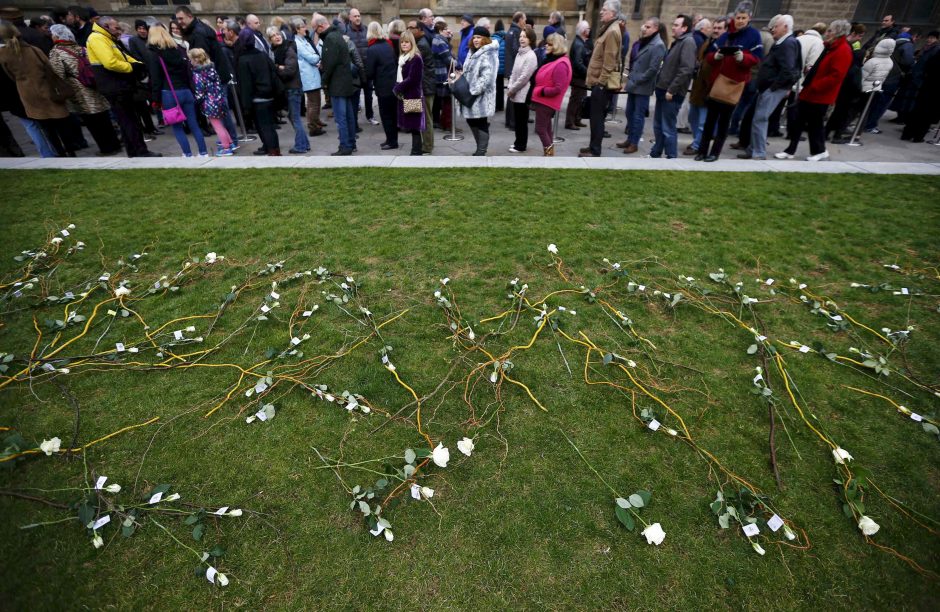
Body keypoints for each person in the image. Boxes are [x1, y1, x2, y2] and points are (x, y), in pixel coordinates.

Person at [694, 2, 763, 162]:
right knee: (710, 120)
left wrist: (743, 58)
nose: (740, 21)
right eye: (738, 17)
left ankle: (714, 153)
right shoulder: (727, 34)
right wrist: (716, 57)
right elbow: (710, 55)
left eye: (743, 18)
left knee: (724, 122)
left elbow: (757, 58)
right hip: (717, 82)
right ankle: (702, 151)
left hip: (734, 84)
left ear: (749, 18)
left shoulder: (754, 35)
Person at [775, 20, 852, 162]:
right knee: (799, 121)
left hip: (820, 95)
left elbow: (836, 76)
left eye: (830, 31)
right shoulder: (830, 47)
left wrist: (816, 84)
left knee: (814, 124)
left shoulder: (843, 50)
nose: (827, 33)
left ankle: (819, 150)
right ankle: (791, 150)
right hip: (811, 91)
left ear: (838, 33)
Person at [0, 22, 80, 157]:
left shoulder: (3, 54)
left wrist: (23, 81)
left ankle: (59, 153)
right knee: (60, 123)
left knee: (46, 127)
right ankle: (70, 152)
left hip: (27, 92)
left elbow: (10, 75)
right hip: (45, 87)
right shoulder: (32, 50)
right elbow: (48, 67)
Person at [86, 16, 160, 157]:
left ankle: (133, 151)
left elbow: (123, 56)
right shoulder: (97, 38)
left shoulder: (106, 38)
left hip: (119, 85)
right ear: (106, 26)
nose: (118, 30)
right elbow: (110, 62)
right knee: (129, 120)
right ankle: (140, 151)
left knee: (127, 120)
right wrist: (132, 67)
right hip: (114, 86)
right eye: (116, 27)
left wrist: (138, 64)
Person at [48, 24, 121, 156]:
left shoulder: (56, 52)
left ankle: (106, 148)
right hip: (94, 86)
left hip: (80, 92)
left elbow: (58, 74)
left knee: (92, 122)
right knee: (104, 118)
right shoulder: (82, 48)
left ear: (56, 36)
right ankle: (115, 144)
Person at [737, 14, 800, 160]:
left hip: (772, 88)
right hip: (768, 87)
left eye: (776, 26)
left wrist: (773, 87)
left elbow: (788, 70)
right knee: (757, 118)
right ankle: (753, 149)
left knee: (760, 119)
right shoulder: (783, 42)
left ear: (785, 27)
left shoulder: (788, 44)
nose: (773, 29)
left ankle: (758, 152)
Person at [146, 24, 207, 157]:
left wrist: (155, 99)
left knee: (177, 127)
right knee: (194, 124)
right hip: (185, 90)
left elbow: (155, 79)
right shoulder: (177, 50)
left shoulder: (154, 54)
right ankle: (203, 152)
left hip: (169, 93)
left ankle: (187, 154)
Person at [579, 0, 623, 158]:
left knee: (597, 118)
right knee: (595, 117)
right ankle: (592, 146)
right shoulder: (609, 29)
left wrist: (601, 82)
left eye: (604, 10)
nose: (601, 12)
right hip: (599, 81)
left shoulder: (612, 31)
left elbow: (609, 61)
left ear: (612, 13)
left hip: (602, 83)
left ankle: (595, 150)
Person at [650, 15, 697, 159]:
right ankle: (655, 153)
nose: (673, 27)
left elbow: (686, 69)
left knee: (667, 127)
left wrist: (672, 89)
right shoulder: (678, 42)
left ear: (685, 28)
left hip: (672, 93)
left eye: (676, 25)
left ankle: (671, 157)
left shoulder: (688, 42)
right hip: (663, 90)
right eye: (674, 24)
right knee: (658, 125)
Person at [617, 18, 664, 154]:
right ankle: (630, 138)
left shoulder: (658, 45)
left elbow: (653, 69)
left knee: (638, 116)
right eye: (645, 26)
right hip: (634, 84)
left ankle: (634, 143)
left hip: (642, 87)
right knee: (629, 113)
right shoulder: (645, 41)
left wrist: (637, 80)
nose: (644, 28)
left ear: (656, 28)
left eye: (648, 27)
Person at [315, 14, 357, 155]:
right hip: (345, 82)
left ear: (320, 27)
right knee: (349, 116)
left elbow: (330, 64)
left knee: (341, 118)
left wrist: (324, 81)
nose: (316, 32)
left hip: (338, 84)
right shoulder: (337, 35)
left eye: (315, 29)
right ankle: (351, 143)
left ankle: (345, 146)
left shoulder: (330, 39)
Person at [235, 27, 280, 156]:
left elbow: (245, 85)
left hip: (258, 98)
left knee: (264, 126)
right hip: (268, 95)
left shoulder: (244, 60)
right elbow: (273, 73)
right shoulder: (262, 56)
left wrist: (246, 105)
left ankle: (273, 150)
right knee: (267, 125)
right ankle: (268, 146)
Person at [455, 25, 498, 156]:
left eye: (479, 37)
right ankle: (480, 146)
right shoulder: (472, 52)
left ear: (485, 39)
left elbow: (487, 79)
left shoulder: (488, 54)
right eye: (474, 37)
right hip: (471, 95)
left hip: (480, 96)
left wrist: (472, 91)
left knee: (480, 122)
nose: (476, 40)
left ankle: (481, 150)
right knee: (471, 120)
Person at [530, 33, 572, 156]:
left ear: (557, 46)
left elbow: (558, 88)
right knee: (546, 128)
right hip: (543, 100)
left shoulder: (561, 64)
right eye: (546, 43)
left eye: (549, 44)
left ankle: (549, 153)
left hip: (546, 101)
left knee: (541, 129)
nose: (546, 46)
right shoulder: (553, 59)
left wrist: (541, 91)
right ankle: (549, 151)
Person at [188, 48, 234, 155]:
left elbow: (200, 90)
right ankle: (230, 142)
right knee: (221, 124)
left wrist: (196, 100)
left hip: (209, 103)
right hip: (219, 99)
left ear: (195, 60)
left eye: (191, 59)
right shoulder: (211, 69)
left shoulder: (198, 74)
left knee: (217, 126)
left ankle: (226, 148)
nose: (190, 62)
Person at [268, 27, 306, 154]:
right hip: (288, 88)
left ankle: (301, 146)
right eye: (273, 36)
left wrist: (277, 67)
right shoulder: (276, 51)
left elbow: (289, 71)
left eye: (278, 34)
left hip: (293, 88)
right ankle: (304, 143)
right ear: (270, 39)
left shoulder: (288, 49)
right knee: (293, 117)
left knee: (295, 118)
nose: (277, 37)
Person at [365, 20, 397, 149]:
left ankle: (391, 141)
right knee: (393, 115)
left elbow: (370, 72)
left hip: (383, 87)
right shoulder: (388, 45)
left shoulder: (372, 49)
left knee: (386, 115)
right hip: (393, 84)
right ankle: (391, 139)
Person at [392, 30, 425, 156]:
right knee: (411, 125)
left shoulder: (416, 58)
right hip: (405, 95)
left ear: (412, 43)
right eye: (402, 42)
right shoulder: (402, 58)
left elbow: (413, 79)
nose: (404, 44)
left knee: (414, 125)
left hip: (413, 95)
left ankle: (416, 151)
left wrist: (397, 88)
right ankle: (416, 149)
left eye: (407, 42)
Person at [900, 40, 940, 142]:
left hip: (927, 86)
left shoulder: (936, 55)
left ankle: (907, 134)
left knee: (917, 110)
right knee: (927, 115)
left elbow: (928, 66)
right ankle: (918, 136)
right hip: (936, 91)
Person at [505, 25, 536, 153]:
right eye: (521, 37)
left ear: (531, 39)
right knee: (517, 120)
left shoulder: (531, 56)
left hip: (523, 93)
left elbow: (524, 77)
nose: (522, 39)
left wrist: (512, 89)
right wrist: (510, 85)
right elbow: (514, 72)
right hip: (515, 91)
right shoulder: (520, 53)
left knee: (522, 121)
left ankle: (521, 145)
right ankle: (518, 142)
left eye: (525, 37)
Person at [408, 20, 436, 154]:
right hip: (423, 86)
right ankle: (423, 145)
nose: (409, 30)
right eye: (408, 27)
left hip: (425, 87)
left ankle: (427, 146)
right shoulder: (419, 43)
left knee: (426, 118)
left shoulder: (421, 45)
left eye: (412, 28)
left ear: (420, 30)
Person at [346, 8, 374, 125]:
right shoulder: (346, 32)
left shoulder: (366, 30)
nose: (357, 18)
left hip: (367, 68)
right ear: (350, 18)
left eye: (359, 16)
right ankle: (354, 121)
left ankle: (370, 116)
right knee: (355, 97)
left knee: (369, 95)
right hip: (354, 70)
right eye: (355, 16)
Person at [565, 20, 591, 130]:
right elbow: (578, 63)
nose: (589, 30)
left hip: (580, 77)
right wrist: (588, 72)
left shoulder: (580, 42)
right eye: (588, 29)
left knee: (580, 99)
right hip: (578, 77)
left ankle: (576, 119)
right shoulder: (579, 44)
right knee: (575, 99)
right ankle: (570, 122)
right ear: (584, 31)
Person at [431, 19, 454, 130]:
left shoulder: (439, 40)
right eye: (445, 29)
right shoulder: (439, 41)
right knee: (447, 99)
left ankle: (445, 123)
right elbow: (448, 58)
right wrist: (460, 65)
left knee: (444, 100)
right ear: (440, 30)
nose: (447, 31)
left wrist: (449, 39)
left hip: (440, 73)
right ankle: (447, 124)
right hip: (442, 74)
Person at [503, 11, 525, 129]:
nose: (525, 22)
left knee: (511, 93)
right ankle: (512, 122)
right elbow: (515, 49)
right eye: (524, 19)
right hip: (514, 67)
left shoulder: (511, 30)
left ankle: (509, 121)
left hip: (510, 67)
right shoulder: (516, 31)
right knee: (514, 94)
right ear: (520, 20)